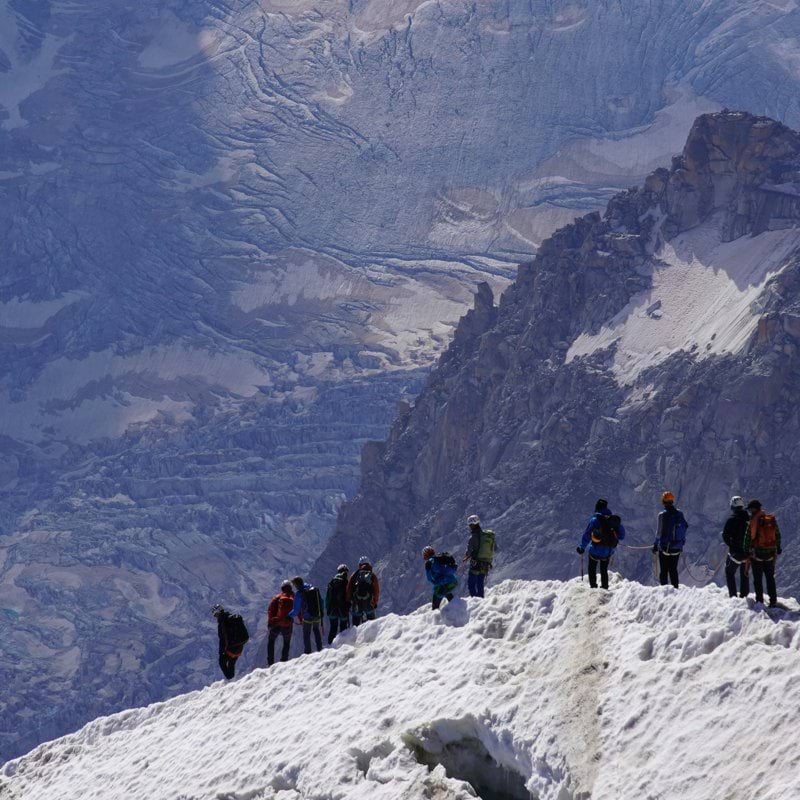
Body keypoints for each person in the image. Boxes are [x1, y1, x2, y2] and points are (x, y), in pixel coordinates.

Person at [576, 499, 625, 589]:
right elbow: (622, 536)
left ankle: (593, 586)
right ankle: (605, 587)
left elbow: (587, 534)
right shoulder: (613, 520)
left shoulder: (595, 519)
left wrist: (581, 547)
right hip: (608, 551)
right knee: (604, 569)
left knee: (592, 568)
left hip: (595, 550)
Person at [744, 499, 782, 607]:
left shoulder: (753, 521)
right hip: (770, 554)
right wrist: (778, 548)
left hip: (757, 555)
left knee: (758, 579)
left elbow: (747, 538)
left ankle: (760, 601)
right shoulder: (770, 520)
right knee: (770, 578)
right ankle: (773, 601)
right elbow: (778, 535)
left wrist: (746, 551)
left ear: (753, 509)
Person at [652, 491, 688, 588]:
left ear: (663, 501)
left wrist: (655, 545)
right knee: (673, 569)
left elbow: (658, 532)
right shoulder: (680, 514)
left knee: (664, 570)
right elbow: (684, 527)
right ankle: (675, 589)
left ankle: (664, 591)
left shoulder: (662, 515)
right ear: (672, 501)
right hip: (677, 548)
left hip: (665, 548)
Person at [722, 496, 750, 598]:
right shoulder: (749, 519)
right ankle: (744, 595)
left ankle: (733, 596)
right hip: (748, 553)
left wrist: (731, 544)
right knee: (744, 574)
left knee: (729, 572)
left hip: (735, 553)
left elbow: (725, 535)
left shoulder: (731, 519)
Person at [212, 604, 249, 680]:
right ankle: (232, 679)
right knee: (231, 664)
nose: (216, 617)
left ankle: (230, 680)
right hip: (239, 648)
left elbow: (222, 639)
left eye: (215, 614)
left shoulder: (222, 623)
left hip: (230, 649)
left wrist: (221, 652)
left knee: (222, 662)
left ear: (218, 613)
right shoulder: (232, 618)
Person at [289, 576, 324, 654]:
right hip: (317, 615)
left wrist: (288, 616)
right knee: (316, 630)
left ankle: (308, 652)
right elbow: (321, 601)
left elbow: (296, 610)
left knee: (306, 634)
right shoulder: (313, 588)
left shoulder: (299, 594)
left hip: (307, 617)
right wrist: (321, 612)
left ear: (297, 585)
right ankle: (320, 648)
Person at [463, 514, 495, 597]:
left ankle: (474, 600)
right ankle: (481, 600)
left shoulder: (473, 537)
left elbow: (468, 552)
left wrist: (466, 557)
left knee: (471, 583)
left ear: (471, 525)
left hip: (476, 563)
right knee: (480, 582)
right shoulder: (486, 535)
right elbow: (495, 548)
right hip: (486, 563)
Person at [267, 581, 294, 666]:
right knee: (286, 643)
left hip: (276, 623)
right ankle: (284, 660)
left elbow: (270, 610)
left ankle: (270, 662)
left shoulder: (277, 598)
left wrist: (270, 622)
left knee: (271, 641)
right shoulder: (293, 597)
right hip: (287, 624)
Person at [347, 557, 379, 625]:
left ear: (359, 565)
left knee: (356, 626)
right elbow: (376, 590)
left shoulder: (355, 575)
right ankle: (372, 635)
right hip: (369, 603)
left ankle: (355, 635)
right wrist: (375, 602)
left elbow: (349, 589)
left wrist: (349, 600)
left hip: (356, 603)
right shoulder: (372, 575)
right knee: (372, 624)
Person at [326, 564, 350, 643]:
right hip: (343, 609)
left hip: (332, 609)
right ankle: (342, 646)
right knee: (343, 629)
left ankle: (330, 646)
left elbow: (327, 597)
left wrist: (328, 609)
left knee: (333, 628)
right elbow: (348, 596)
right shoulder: (346, 582)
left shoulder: (332, 581)